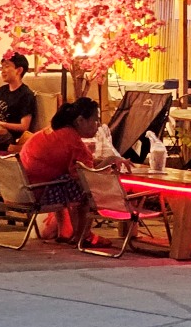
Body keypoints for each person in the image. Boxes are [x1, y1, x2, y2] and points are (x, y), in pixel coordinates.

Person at [19, 97, 126, 244]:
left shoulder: (54, 131)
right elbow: (88, 175)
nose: (98, 125)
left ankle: (66, 232)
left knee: (67, 179)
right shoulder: (73, 141)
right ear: (81, 120)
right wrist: (110, 162)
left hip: (22, 189)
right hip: (39, 192)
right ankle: (84, 236)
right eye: (95, 120)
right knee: (88, 190)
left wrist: (106, 161)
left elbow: (76, 166)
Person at [0, 51, 38, 150]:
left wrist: (0, 123)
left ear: (19, 70)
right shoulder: (1, 91)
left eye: (6, 66)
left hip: (7, 136)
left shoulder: (26, 95)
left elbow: (24, 126)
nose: (2, 71)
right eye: (2, 67)